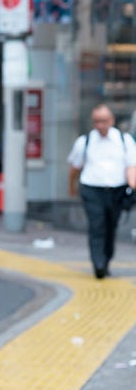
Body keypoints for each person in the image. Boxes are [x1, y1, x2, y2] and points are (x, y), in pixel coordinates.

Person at [67, 103, 136, 278]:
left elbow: (131, 166)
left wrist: (132, 185)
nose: (100, 125)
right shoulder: (85, 141)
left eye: (104, 121)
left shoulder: (124, 140)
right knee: (96, 226)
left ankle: (106, 260)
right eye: (96, 121)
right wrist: (71, 187)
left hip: (117, 191)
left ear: (111, 121)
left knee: (110, 226)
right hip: (92, 189)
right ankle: (98, 263)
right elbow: (75, 168)